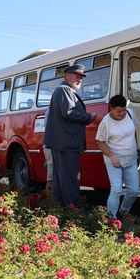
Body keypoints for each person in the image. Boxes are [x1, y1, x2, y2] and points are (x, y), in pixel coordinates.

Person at [43, 64, 97, 207]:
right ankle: (71, 210)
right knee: (70, 179)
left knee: (62, 179)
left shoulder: (64, 90)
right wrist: (88, 117)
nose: (79, 79)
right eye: (76, 75)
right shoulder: (64, 90)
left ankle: (61, 210)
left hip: (63, 142)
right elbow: (69, 112)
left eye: (81, 77)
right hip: (67, 143)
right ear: (66, 76)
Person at [96, 94, 140, 219]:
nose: (122, 114)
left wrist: (137, 146)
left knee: (133, 191)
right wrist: (111, 156)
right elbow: (100, 141)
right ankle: (112, 219)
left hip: (130, 158)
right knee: (116, 190)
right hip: (113, 159)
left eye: (124, 110)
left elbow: (134, 130)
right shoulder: (106, 122)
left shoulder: (130, 114)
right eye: (118, 111)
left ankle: (124, 211)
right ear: (111, 109)